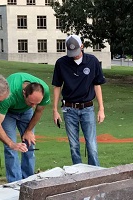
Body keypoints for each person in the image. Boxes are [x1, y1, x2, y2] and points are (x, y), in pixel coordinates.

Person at [52, 34, 106, 166]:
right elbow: (57, 86)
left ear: (82, 46)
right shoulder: (61, 63)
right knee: (74, 146)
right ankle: (78, 173)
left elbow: (97, 85)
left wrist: (101, 109)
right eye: (71, 52)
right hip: (69, 109)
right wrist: (55, 110)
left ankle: (94, 173)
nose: (74, 55)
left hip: (87, 108)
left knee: (92, 146)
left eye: (76, 51)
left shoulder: (92, 61)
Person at [0, 72, 51, 182]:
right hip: (8, 113)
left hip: (26, 112)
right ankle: (15, 183)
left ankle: (28, 180)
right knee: (11, 147)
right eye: (31, 102)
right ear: (24, 93)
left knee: (29, 144)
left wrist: (28, 131)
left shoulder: (44, 90)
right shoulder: (9, 95)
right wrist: (11, 143)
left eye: (36, 103)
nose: (34, 106)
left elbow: (38, 111)